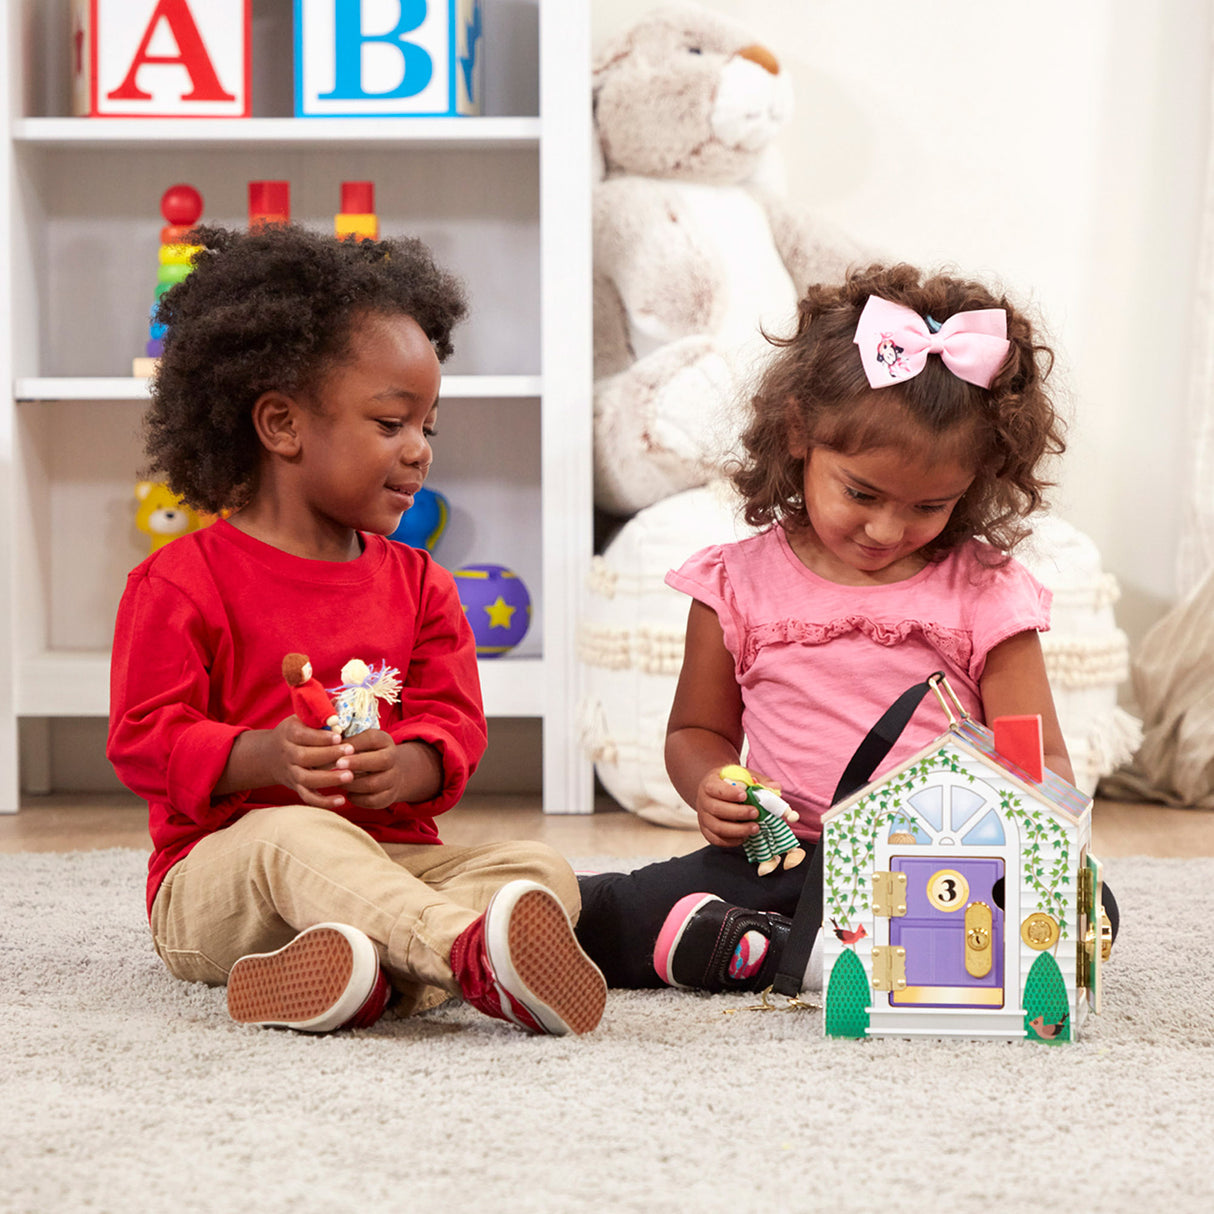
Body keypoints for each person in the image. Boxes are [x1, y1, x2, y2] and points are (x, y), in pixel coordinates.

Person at [108, 223, 606, 1036]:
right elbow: (140, 737)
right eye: (390, 424)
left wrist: (406, 767)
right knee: (291, 833)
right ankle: (464, 957)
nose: (419, 452)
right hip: (224, 882)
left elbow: (454, 725)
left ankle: (366, 980)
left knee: (539, 869)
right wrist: (255, 754)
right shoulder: (179, 581)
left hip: (383, 863)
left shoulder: (421, 586)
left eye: (427, 429)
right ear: (281, 426)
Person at [575, 262, 1119, 992]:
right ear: (800, 432)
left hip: (939, 870)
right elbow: (695, 733)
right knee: (609, 910)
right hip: (780, 859)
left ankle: (773, 955)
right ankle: (794, 947)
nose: (887, 527)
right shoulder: (734, 584)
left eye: (931, 506)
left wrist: (1018, 848)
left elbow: (1040, 761)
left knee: (1089, 907)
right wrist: (713, 784)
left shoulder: (985, 592)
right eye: (861, 493)